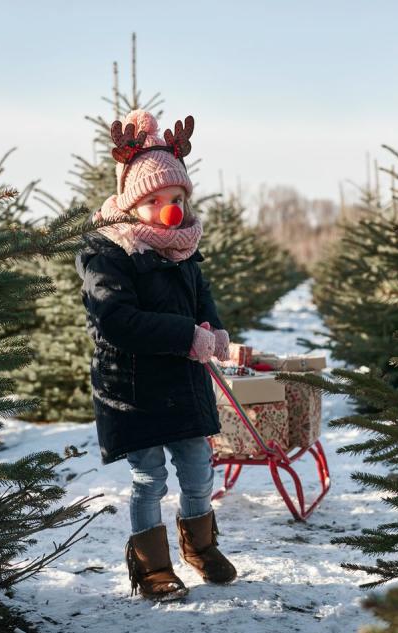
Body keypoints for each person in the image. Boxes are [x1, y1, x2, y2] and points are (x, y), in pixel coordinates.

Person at [74, 109, 238, 602]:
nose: (169, 209)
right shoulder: (109, 252)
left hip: (184, 383)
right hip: (135, 386)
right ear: (131, 202)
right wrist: (188, 336)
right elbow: (115, 319)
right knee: (149, 478)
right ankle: (152, 568)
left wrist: (214, 328)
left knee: (197, 469)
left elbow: (200, 298)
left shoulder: (183, 249)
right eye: (155, 200)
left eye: (176, 198)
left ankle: (201, 548)